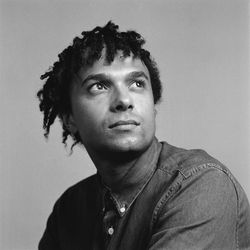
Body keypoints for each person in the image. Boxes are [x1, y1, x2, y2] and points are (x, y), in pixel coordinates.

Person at [37, 21, 250, 250]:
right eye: (99, 86)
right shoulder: (69, 208)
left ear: (153, 105)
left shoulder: (202, 184)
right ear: (69, 118)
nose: (124, 100)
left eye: (137, 83)